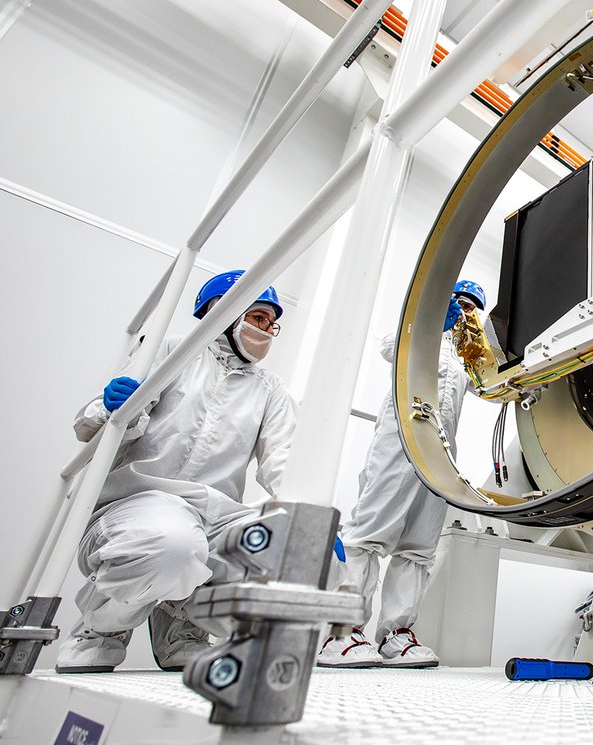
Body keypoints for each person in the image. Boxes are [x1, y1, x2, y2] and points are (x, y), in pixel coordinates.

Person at [56, 270, 296, 673]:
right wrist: (114, 407)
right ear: (223, 309)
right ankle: (101, 628)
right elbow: (91, 427)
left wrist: (313, 522)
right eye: (258, 318)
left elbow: (283, 461)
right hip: (138, 501)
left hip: (216, 515)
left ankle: (184, 624)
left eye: (273, 324)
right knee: (173, 548)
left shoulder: (271, 389)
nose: (268, 331)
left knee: (298, 555)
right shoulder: (170, 351)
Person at [317, 280, 485, 668]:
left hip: (443, 450)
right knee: (371, 532)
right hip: (400, 438)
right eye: (459, 303)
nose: (465, 312)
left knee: (420, 545)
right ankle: (340, 632)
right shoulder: (418, 331)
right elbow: (389, 347)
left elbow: (490, 384)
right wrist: (431, 323)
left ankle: (396, 634)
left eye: (473, 307)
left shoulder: (466, 357)